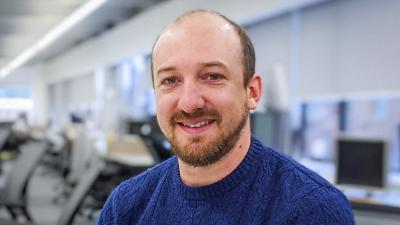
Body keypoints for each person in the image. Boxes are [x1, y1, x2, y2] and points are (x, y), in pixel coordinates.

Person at [97, 9, 354, 225]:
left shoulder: (314, 211)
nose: (189, 102)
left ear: (251, 92)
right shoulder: (125, 207)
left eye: (213, 76)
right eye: (170, 80)